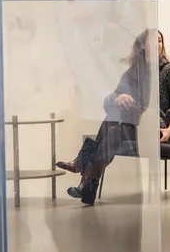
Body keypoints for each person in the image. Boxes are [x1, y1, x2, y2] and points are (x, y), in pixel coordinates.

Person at [56, 29, 157, 206]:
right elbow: (109, 100)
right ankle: (85, 183)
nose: (157, 45)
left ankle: (81, 166)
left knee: (113, 130)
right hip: (131, 126)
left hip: (153, 127)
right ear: (142, 46)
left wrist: (152, 116)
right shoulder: (133, 73)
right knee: (113, 125)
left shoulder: (167, 71)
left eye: (160, 41)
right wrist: (119, 97)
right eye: (153, 41)